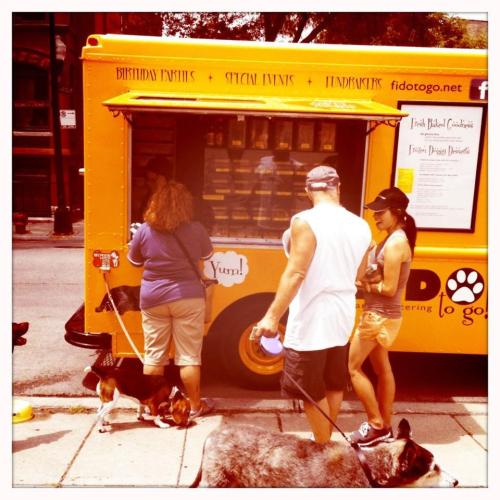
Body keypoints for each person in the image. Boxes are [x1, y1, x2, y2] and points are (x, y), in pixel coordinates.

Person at [252, 166, 372, 444]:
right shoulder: (361, 225)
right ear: (338, 188)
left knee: (308, 387)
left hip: (312, 317)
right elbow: (360, 274)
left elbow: (296, 273)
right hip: (342, 315)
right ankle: (326, 445)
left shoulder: (304, 221)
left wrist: (271, 317)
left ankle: (323, 447)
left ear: (307, 191)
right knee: (333, 382)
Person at [127, 180, 214, 419]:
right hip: (188, 297)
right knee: (189, 357)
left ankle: (153, 408)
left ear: (154, 203)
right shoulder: (196, 229)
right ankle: (195, 406)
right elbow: (207, 254)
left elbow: (134, 261)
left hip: (153, 298)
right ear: (186, 205)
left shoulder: (144, 231)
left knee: (154, 355)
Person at [348, 186, 417, 446]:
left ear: (397, 213)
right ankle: (385, 426)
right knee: (381, 368)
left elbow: (388, 289)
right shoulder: (390, 240)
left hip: (379, 316)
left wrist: (366, 287)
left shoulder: (396, 243)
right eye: (374, 212)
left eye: (381, 212)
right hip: (382, 315)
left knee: (353, 368)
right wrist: (367, 254)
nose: (375, 217)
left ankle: (376, 425)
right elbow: (362, 277)